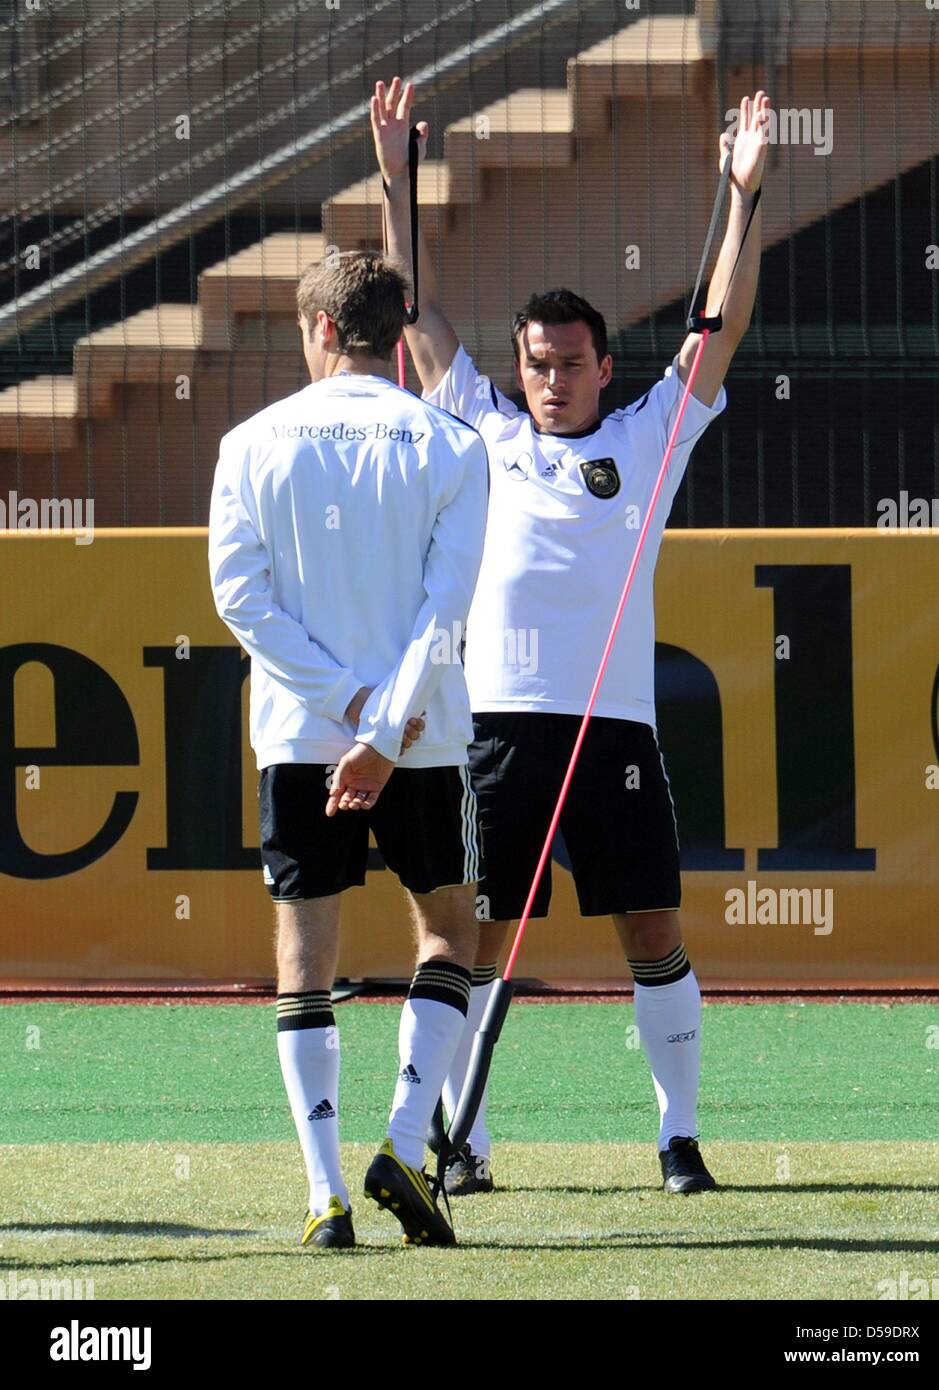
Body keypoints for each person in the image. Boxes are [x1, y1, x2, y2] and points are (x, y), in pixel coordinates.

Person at [373, 76, 769, 1195]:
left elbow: (722, 320)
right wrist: (397, 173)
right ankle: (465, 1145)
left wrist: (743, 195)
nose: (552, 379)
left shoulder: (652, 435)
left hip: (616, 730)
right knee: (480, 938)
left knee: (652, 928)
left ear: (605, 365)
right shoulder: (481, 423)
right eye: (536, 362)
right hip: (496, 728)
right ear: (519, 366)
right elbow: (410, 310)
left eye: (571, 362)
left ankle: (678, 1136)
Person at [208, 249, 489, 1246]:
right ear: (395, 328)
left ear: (323, 329)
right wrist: (382, 727)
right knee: (452, 932)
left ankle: (325, 1196)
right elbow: (445, 611)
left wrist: (347, 708)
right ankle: (405, 1141)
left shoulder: (250, 442)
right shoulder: (452, 443)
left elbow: (241, 600)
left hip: (298, 735)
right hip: (423, 736)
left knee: (305, 958)